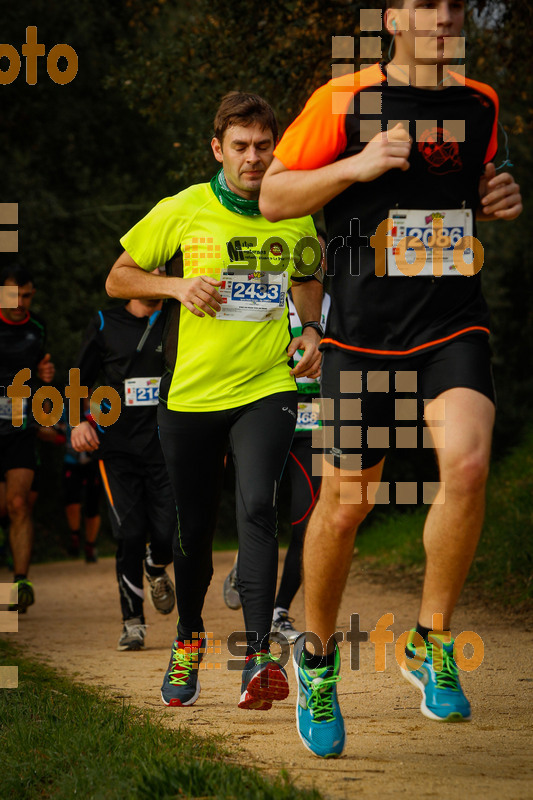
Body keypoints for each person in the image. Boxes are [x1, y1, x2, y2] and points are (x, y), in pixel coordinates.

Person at [259, 0, 522, 758]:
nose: (443, 15)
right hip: (361, 334)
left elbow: (481, 186)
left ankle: (430, 640)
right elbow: (273, 195)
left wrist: (498, 197)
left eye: (452, 4)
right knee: (345, 507)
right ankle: (314, 662)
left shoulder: (481, 103)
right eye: (424, 4)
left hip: (451, 320)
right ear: (390, 20)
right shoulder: (342, 101)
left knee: (467, 465)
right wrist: (357, 165)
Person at [105, 92, 323, 710]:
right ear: (218, 148)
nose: (253, 158)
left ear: (274, 146)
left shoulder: (294, 211)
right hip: (192, 394)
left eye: (263, 145)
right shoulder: (185, 209)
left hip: (266, 386)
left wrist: (311, 332)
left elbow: (309, 278)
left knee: (258, 506)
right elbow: (118, 276)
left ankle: (258, 657)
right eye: (240, 146)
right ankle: (189, 637)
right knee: (192, 532)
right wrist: (175, 285)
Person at [223, 234, 331, 646]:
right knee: (260, 513)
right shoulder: (259, 296)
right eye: (307, 254)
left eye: (320, 256)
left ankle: (279, 609)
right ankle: (248, 563)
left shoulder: (338, 306)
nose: (314, 262)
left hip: (315, 423)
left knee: (308, 521)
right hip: (264, 417)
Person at [71, 295, 176, 650]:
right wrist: (75, 424)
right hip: (116, 449)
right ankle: (132, 622)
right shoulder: (104, 322)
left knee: (169, 535)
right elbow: (78, 377)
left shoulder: (176, 318)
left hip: (166, 446)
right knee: (130, 534)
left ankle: (155, 563)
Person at [0, 264, 55, 613]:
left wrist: (45, 377)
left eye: (27, 295)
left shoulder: (37, 328)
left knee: (19, 504)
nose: (21, 301)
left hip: (19, 426)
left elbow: (42, 372)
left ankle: (21, 583)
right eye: (14, 294)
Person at [61, 406, 102, 562]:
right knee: (72, 501)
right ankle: (75, 536)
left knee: (93, 506)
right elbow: (55, 429)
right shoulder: (66, 408)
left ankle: (90, 545)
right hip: (72, 461)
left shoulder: (99, 406)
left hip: (93, 462)